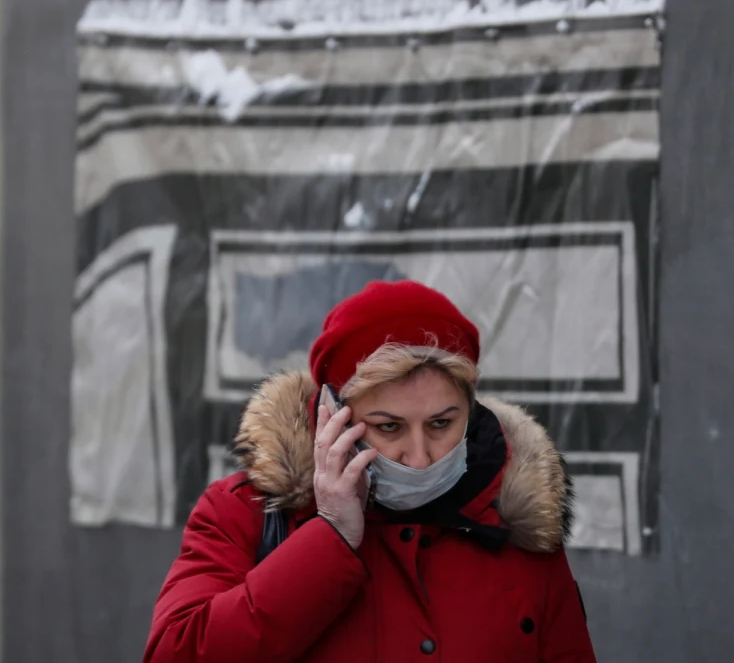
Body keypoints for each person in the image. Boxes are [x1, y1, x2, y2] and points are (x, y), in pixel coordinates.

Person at [144, 280, 597, 662]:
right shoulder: (246, 511)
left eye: (442, 423)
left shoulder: (515, 522)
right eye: (388, 427)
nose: (419, 457)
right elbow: (175, 652)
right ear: (331, 415)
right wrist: (329, 537)